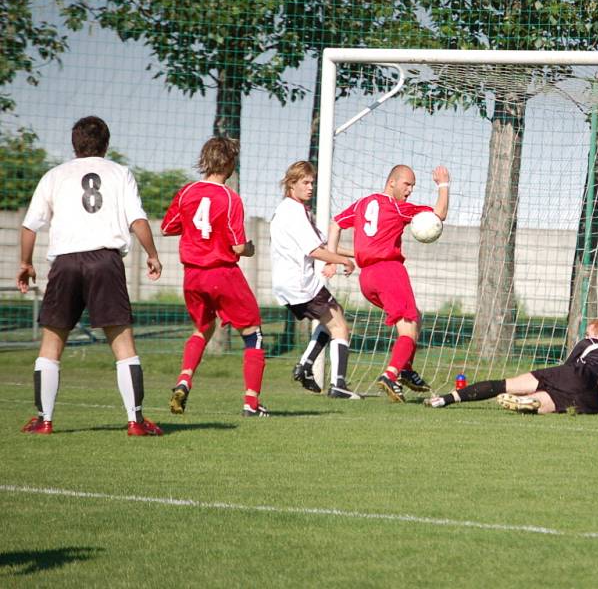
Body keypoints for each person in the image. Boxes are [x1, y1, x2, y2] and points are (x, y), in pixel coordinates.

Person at [16, 115, 164, 436]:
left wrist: (26, 264)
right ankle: (136, 422)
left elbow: (29, 226)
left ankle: (44, 421)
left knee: (52, 342)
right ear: (106, 145)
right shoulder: (120, 173)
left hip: (66, 262)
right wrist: (152, 254)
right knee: (123, 343)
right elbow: (137, 220)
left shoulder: (54, 176)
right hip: (105, 260)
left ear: (74, 144)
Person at [161, 137, 267, 417]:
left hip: (192, 276)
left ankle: (184, 379)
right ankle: (251, 404)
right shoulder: (230, 198)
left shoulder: (186, 193)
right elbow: (237, 247)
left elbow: (168, 227)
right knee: (253, 334)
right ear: (230, 163)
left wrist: (196, 232)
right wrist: (250, 249)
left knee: (203, 328)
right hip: (221, 273)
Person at [327, 164, 450, 403]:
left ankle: (405, 368)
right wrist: (443, 184)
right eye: (407, 184)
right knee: (408, 328)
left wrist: (333, 259)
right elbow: (439, 214)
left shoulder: (362, 204)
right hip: (388, 271)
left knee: (415, 317)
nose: (410, 190)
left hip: (367, 279)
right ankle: (391, 374)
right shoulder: (396, 207)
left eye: (413, 186)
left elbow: (336, 223)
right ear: (392, 182)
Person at [426, 318, 598, 415]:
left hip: (581, 375)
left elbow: (569, 370)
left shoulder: (590, 343)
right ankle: (534, 402)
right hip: (597, 401)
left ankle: (445, 399)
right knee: (551, 402)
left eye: (588, 332)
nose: (585, 335)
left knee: (505, 384)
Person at [270, 161, 360, 399]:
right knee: (340, 326)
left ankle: (305, 365)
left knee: (334, 315)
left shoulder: (294, 210)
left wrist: (358, 254)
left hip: (287, 284)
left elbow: (324, 244)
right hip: (300, 283)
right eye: (305, 183)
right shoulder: (292, 211)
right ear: (291, 184)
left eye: (312, 183)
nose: (310, 187)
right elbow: (315, 251)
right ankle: (338, 385)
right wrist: (343, 261)